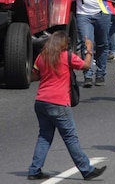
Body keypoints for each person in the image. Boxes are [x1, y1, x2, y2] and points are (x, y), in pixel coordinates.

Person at [26, 33, 106, 180]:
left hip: (41, 101)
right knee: (70, 138)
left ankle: (34, 169)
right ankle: (86, 169)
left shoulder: (42, 56)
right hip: (59, 103)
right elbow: (86, 66)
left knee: (44, 136)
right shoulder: (66, 56)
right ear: (63, 44)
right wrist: (89, 50)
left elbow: (34, 76)